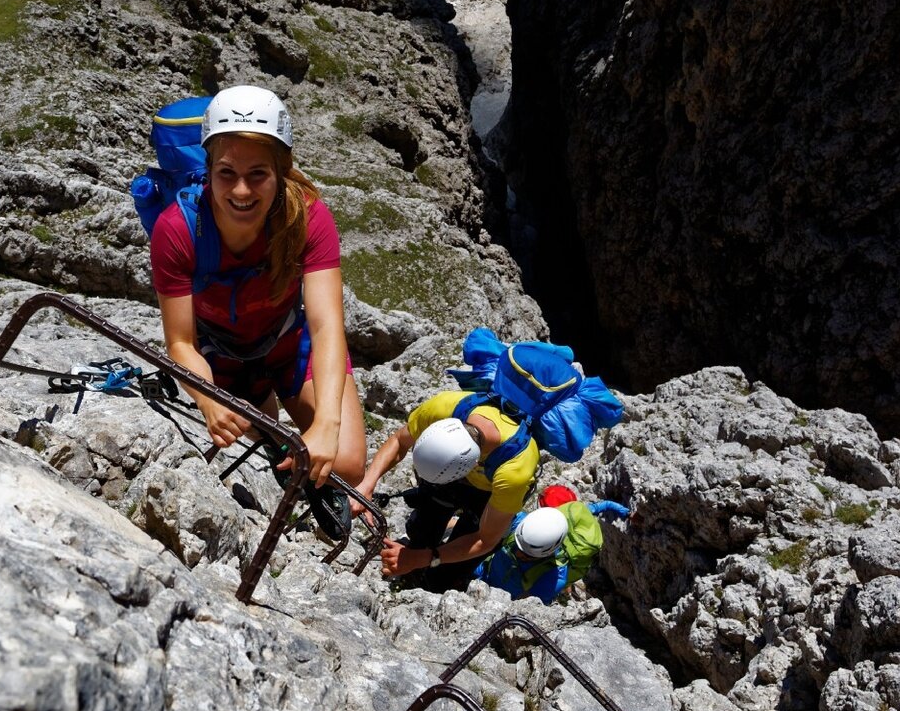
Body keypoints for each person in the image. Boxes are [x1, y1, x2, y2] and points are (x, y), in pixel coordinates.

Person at [150, 84, 366, 509]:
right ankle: (265, 415)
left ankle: (270, 417)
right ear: (208, 170)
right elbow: (180, 342)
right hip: (220, 356)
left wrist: (326, 423)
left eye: (258, 175)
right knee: (255, 439)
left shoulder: (308, 216)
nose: (242, 191)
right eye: (227, 173)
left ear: (281, 172)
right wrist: (207, 399)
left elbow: (325, 327)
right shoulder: (177, 230)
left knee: (347, 464)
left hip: (287, 343)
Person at [352, 387, 542, 591]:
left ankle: (436, 580)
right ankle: (419, 563)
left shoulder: (514, 468)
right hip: (450, 479)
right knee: (423, 530)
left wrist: (423, 559)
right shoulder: (443, 408)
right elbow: (399, 440)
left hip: (489, 492)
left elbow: (484, 539)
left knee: (446, 575)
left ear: (475, 464)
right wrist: (367, 484)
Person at [474, 484, 622, 605]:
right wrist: (609, 505)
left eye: (526, 553)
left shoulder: (554, 575)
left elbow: (531, 606)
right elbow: (588, 509)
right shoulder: (529, 524)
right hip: (485, 578)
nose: (519, 552)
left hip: (497, 598)